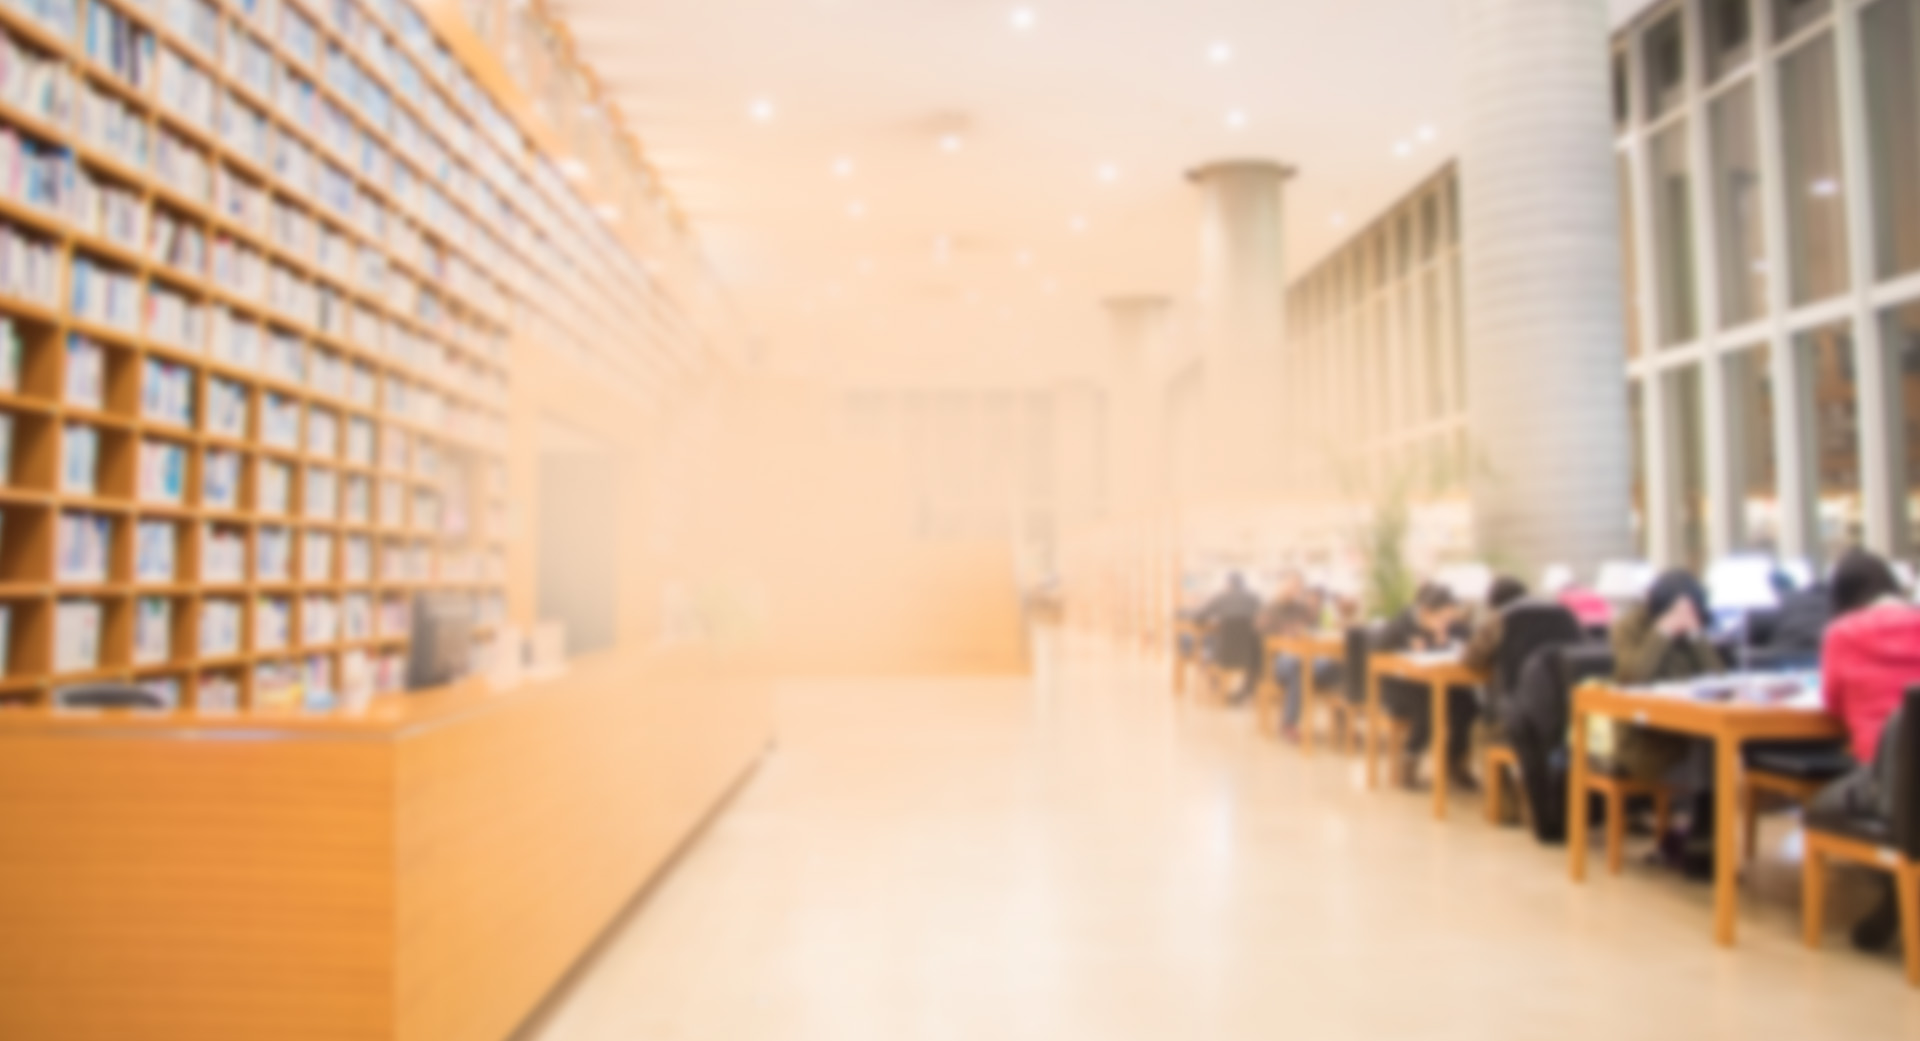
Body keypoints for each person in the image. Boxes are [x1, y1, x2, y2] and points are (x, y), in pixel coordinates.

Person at [1809, 550, 1920, 951]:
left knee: (1819, 805)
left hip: (1880, 773)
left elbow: (1833, 703)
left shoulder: (1843, 633)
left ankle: (1895, 894)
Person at [1609, 568, 1727, 876]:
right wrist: (1662, 632)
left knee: (1713, 741)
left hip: (1688, 737)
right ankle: (1701, 841)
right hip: (1645, 742)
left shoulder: (1694, 625)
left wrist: (1696, 635)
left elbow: (1717, 678)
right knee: (1708, 747)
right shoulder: (1629, 627)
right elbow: (1634, 676)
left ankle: (1703, 837)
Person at [1378, 583, 1477, 791]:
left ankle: (1454, 760)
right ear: (1425, 612)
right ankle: (1410, 758)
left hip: (1437, 682)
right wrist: (1408, 647)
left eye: (1451, 617)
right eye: (1442, 618)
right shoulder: (1401, 624)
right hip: (1400, 686)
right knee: (1430, 706)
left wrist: (1449, 640)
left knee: (1467, 703)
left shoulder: (1452, 624)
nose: (1447, 622)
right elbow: (1378, 654)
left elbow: (1470, 643)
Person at [1260, 571, 1337, 741]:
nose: (1293, 589)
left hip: (1306, 656)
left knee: (1336, 664)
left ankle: (1342, 722)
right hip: (1279, 661)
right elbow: (1262, 634)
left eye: (1297, 587)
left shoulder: (1301, 608)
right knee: (1300, 667)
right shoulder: (1269, 608)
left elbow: (1314, 630)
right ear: (1281, 585)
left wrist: (1313, 607)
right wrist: (1286, 633)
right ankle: (1288, 724)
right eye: (1290, 585)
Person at [1194, 572, 1263, 704]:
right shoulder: (1254, 598)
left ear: (1228, 584)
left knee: (1206, 655)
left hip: (1223, 654)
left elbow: (1199, 617)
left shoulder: (1221, 597)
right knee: (1257, 658)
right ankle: (1244, 692)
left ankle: (1218, 688)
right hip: (1250, 655)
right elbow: (1264, 619)